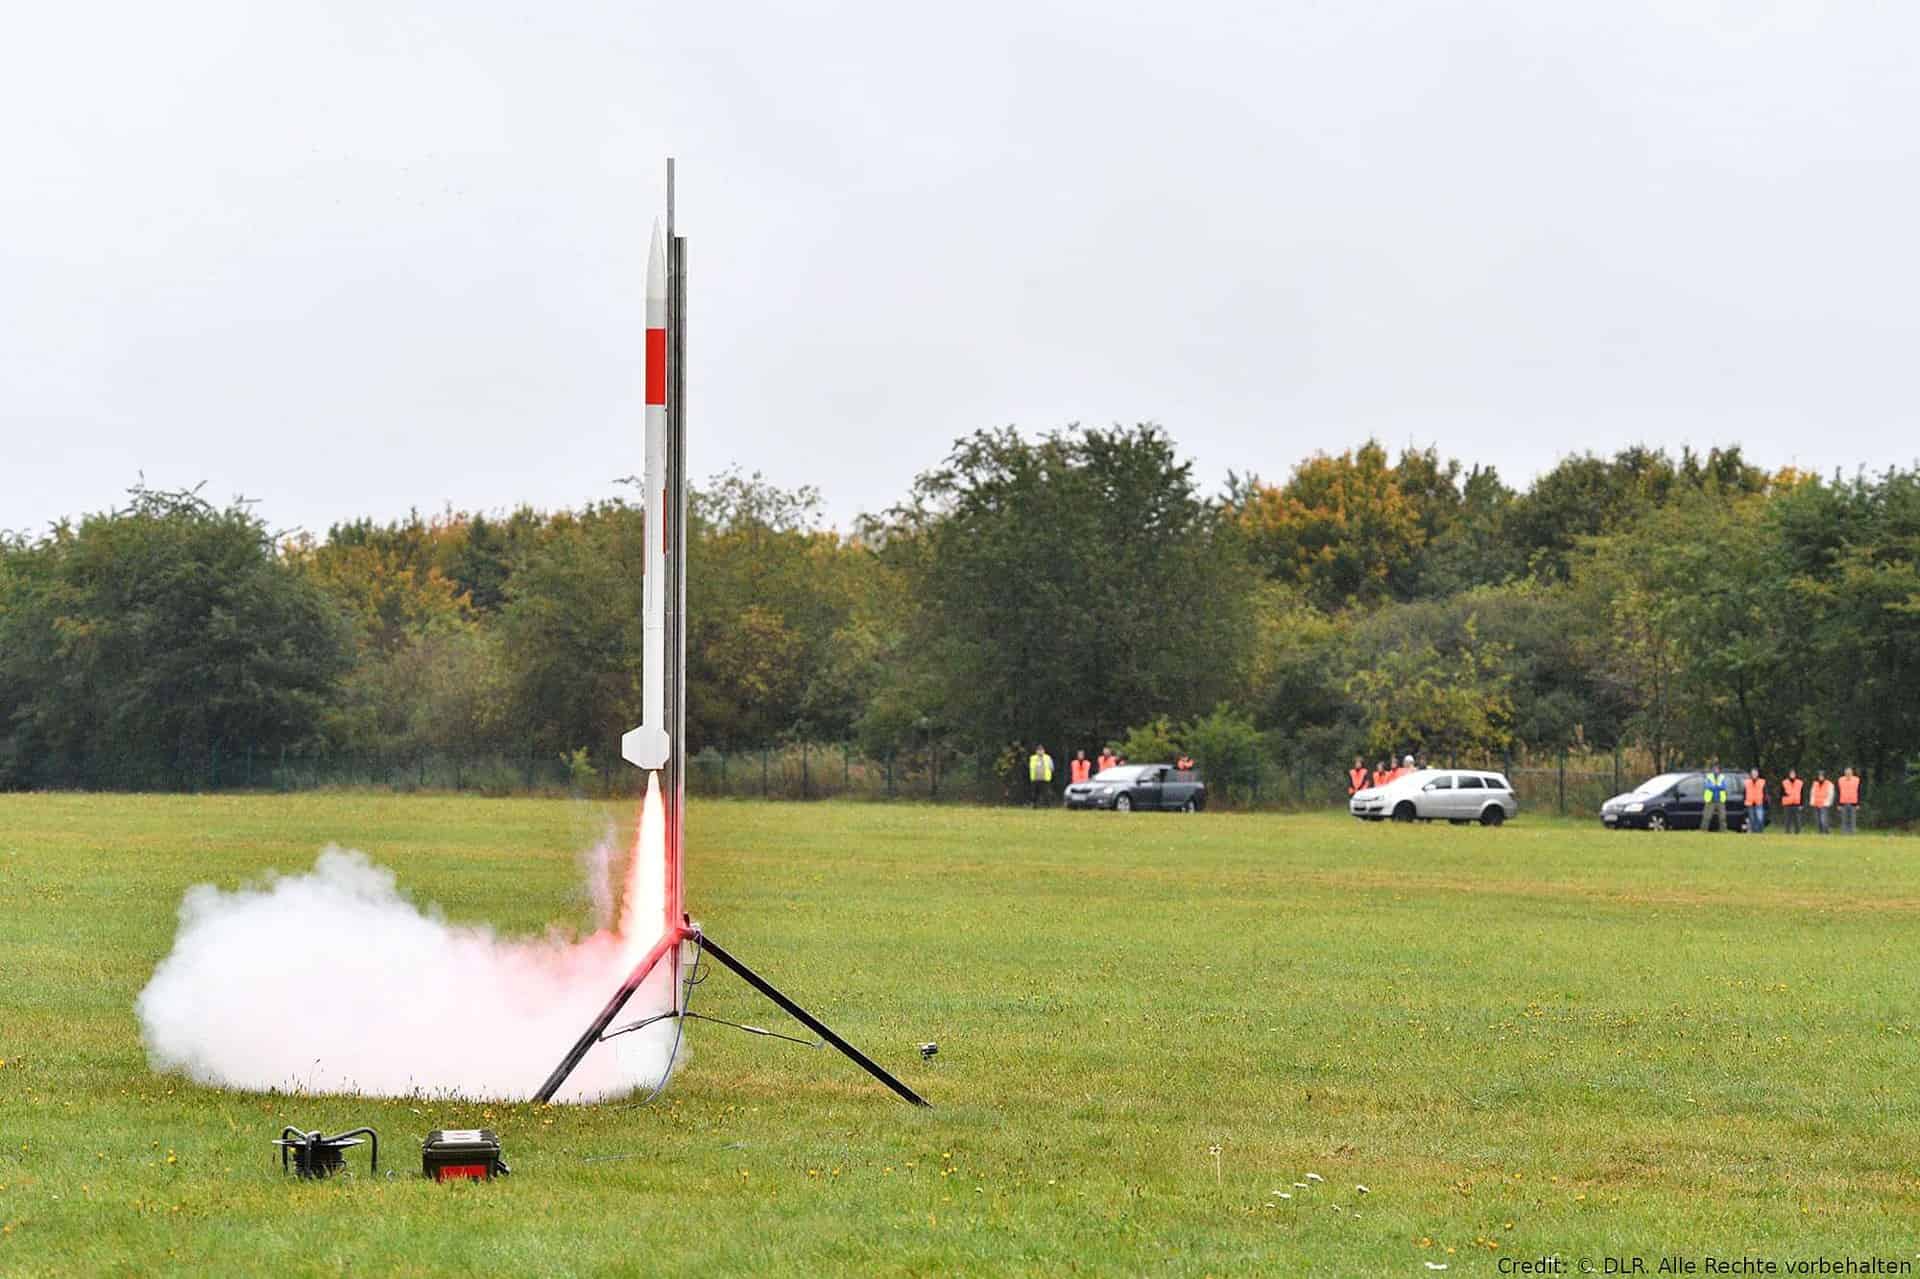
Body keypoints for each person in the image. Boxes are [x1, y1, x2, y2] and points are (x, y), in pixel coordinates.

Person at [1700, 761, 1730, 833]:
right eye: (1714, 769)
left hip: (1720, 800)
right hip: (1710, 799)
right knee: (1707, 816)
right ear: (1712, 769)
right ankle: (1703, 830)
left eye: (1717, 769)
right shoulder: (1708, 776)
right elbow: (1707, 786)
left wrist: (1714, 786)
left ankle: (1723, 830)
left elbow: (1724, 787)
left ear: (1719, 770)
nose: (1716, 770)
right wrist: (1717, 787)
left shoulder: (1722, 777)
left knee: (1722, 817)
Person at [1837, 766, 1862, 833]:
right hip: (1843, 802)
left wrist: (1858, 803)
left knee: (1852, 819)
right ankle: (1844, 831)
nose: (1848, 774)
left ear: (1852, 773)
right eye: (1846, 773)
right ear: (1844, 773)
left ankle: (1852, 831)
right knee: (1844, 818)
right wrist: (1838, 804)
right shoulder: (1840, 780)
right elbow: (1838, 792)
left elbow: (1859, 792)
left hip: (1853, 802)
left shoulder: (1857, 780)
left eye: (1849, 772)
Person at [1779, 769, 1804, 834]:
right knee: (1787, 819)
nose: (1792, 775)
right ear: (1789, 775)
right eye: (1791, 774)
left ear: (1795, 774)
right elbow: (1781, 793)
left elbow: (1802, 794)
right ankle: (1787, 832)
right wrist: (1786, 794)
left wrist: (1801, 804)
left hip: (1796, 804)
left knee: (1797, 819)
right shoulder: (1784, 782)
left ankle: (1797, 832)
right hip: (1787, 804)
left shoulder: (1800, 783)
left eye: (1793, 774)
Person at [1742, 768, 1766, 834]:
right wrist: (1744, 802)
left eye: (1755, 773)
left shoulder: (1762, 782)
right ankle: (1754, 833)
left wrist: (1764, 802)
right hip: (1750, 803)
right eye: (1753, 773)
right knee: (1752, 819)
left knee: (1760, 819)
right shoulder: (1746, 782)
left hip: (1759, 803)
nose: (1754, 774)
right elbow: (1744, 793)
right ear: (1751, 774)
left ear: (1758, 774)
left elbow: (1765, 793)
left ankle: (1760, 832)